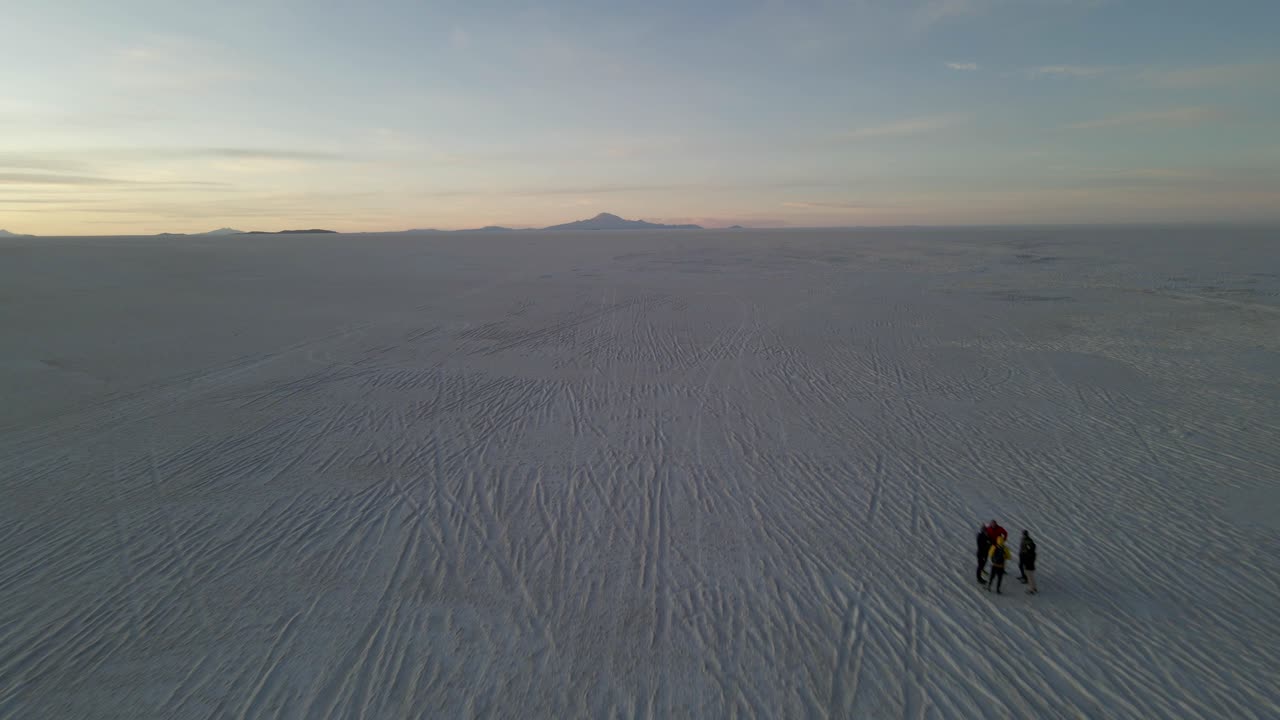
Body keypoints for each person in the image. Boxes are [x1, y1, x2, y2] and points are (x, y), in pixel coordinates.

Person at [1020, 531, 1038, 595]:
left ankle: (1031, 590)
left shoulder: (1028, 553)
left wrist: (1025, 562)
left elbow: (1027, 559)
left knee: (1030, 578)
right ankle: (1034, 588)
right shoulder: (1033, 553)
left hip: (1028, 566)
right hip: (1032, 566)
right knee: (1032, 577)